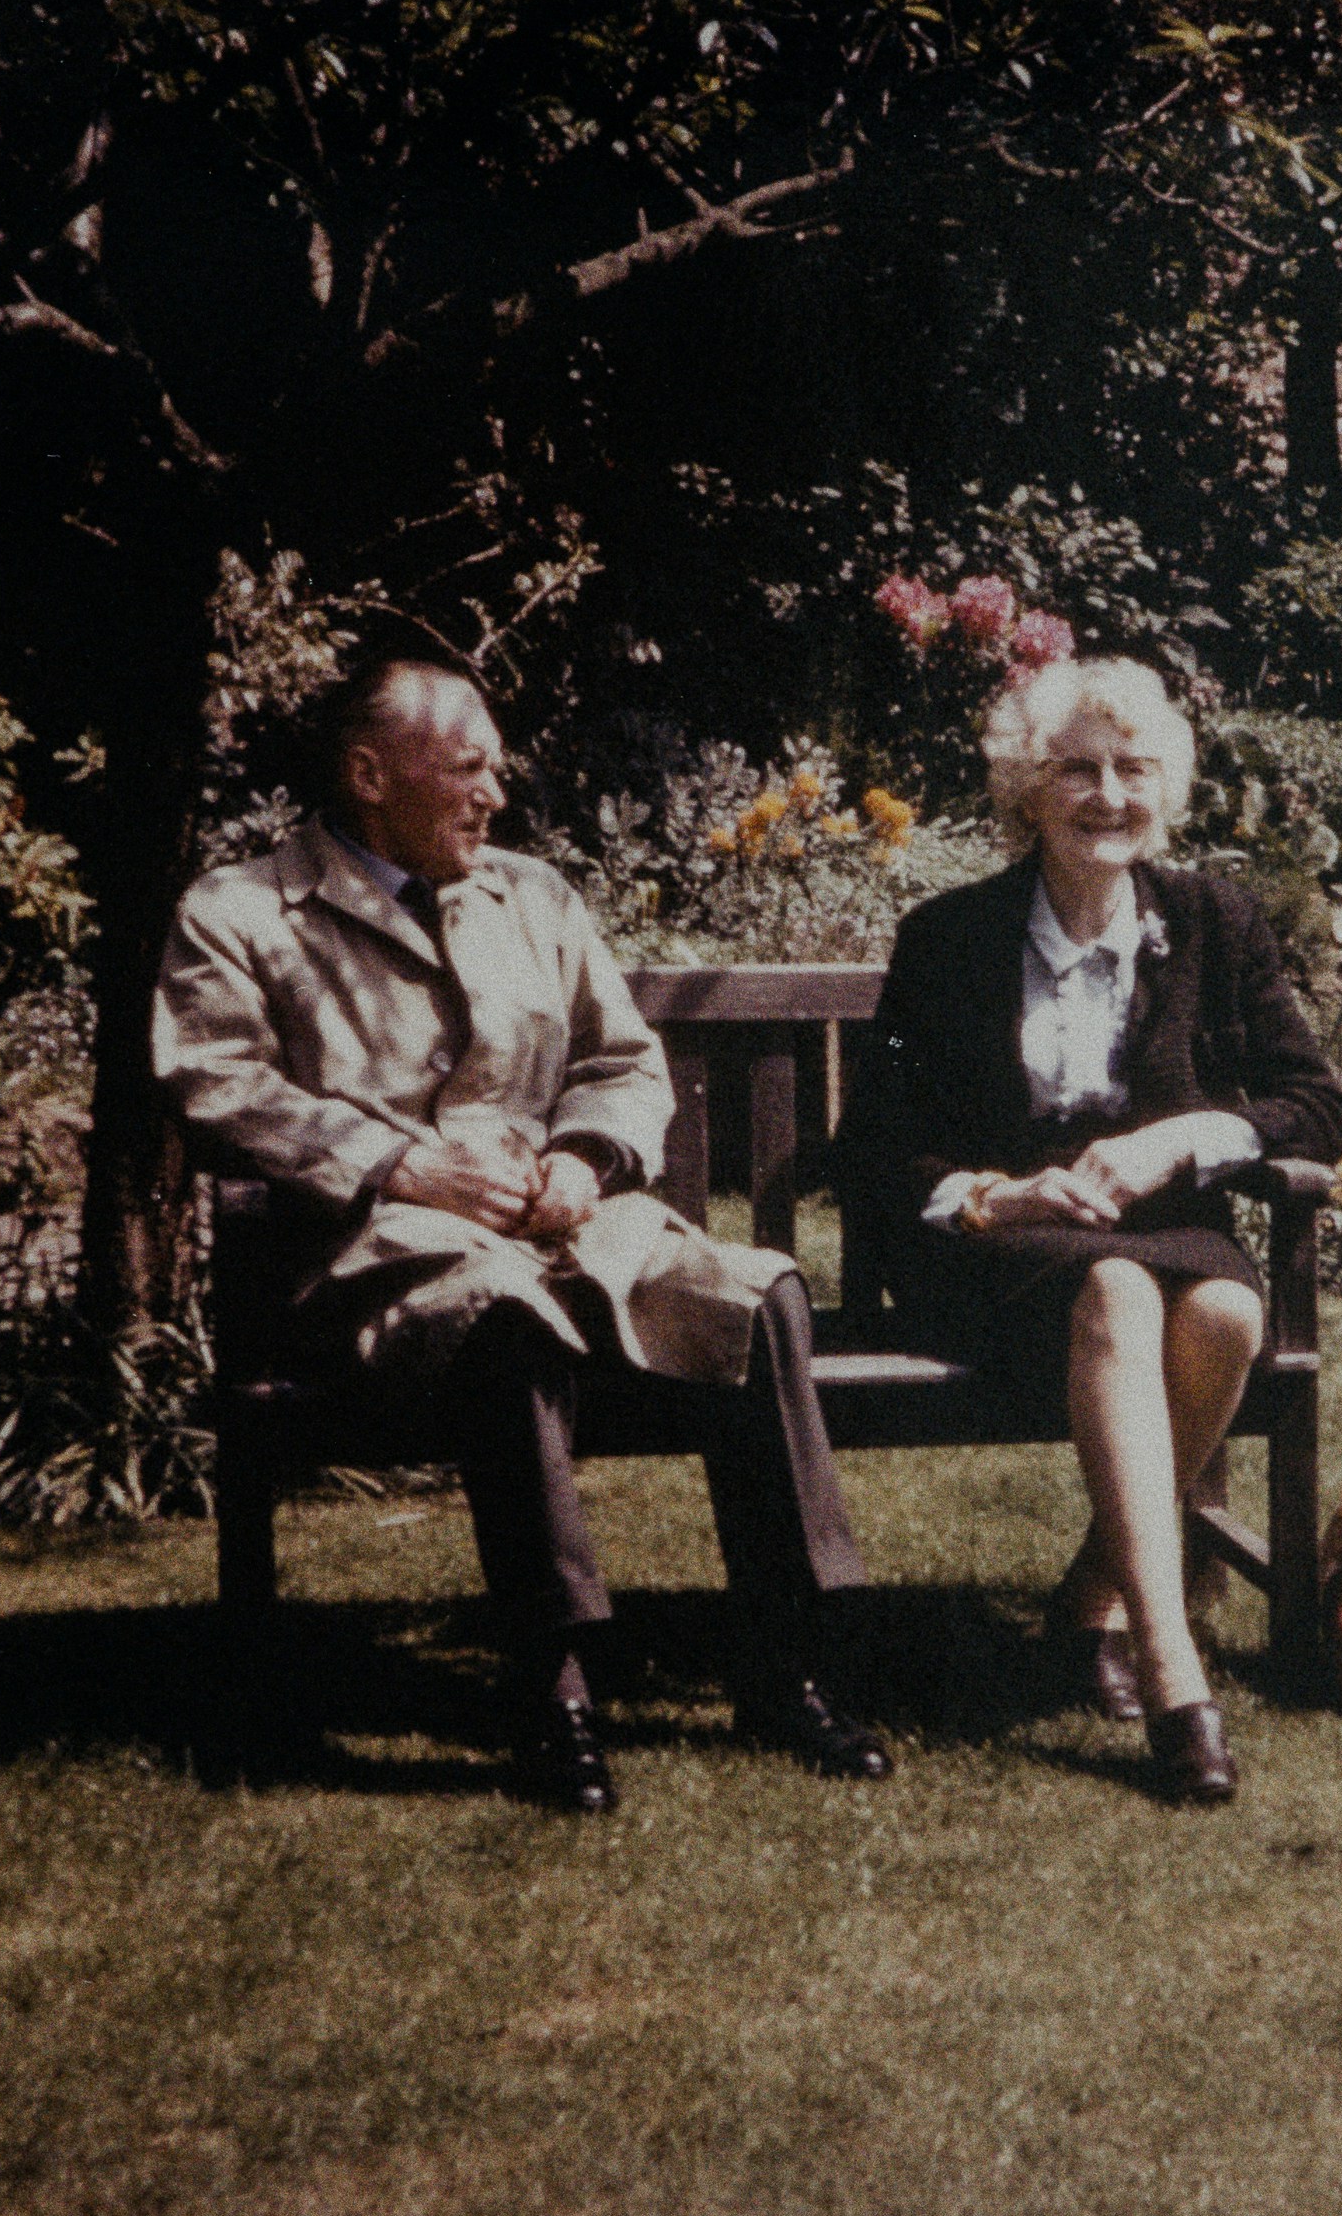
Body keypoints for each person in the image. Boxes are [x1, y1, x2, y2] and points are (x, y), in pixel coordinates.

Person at [152, 656, 891, 1813]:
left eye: (495, 767)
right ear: (365, 774)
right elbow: (214, 1084)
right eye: (468, 768)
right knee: (503, 1323)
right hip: (381, 1252)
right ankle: (553, 1686)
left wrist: (582, 1157)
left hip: (569, 1223)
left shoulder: (531, 896)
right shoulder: (239, 912)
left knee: (754, 1292)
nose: (495, 793)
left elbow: (620, 1062)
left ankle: (787, 1662)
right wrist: (397, 1162)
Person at [854, 655, 1342, 1804]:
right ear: (1029, 787)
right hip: (995, 1249)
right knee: (1121, 1296)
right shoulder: (949, 937)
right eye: (1076, 769)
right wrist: (1000, 1193)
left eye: (1132, 770)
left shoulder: (1212, 922)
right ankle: (1175, 1675)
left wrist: (1179, 1142)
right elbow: (875, 1150)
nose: (1106, 796)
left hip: (1161, 1231)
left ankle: (1088, 1596)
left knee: (1227, 1307)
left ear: (1164, 789)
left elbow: (1314, 1101)